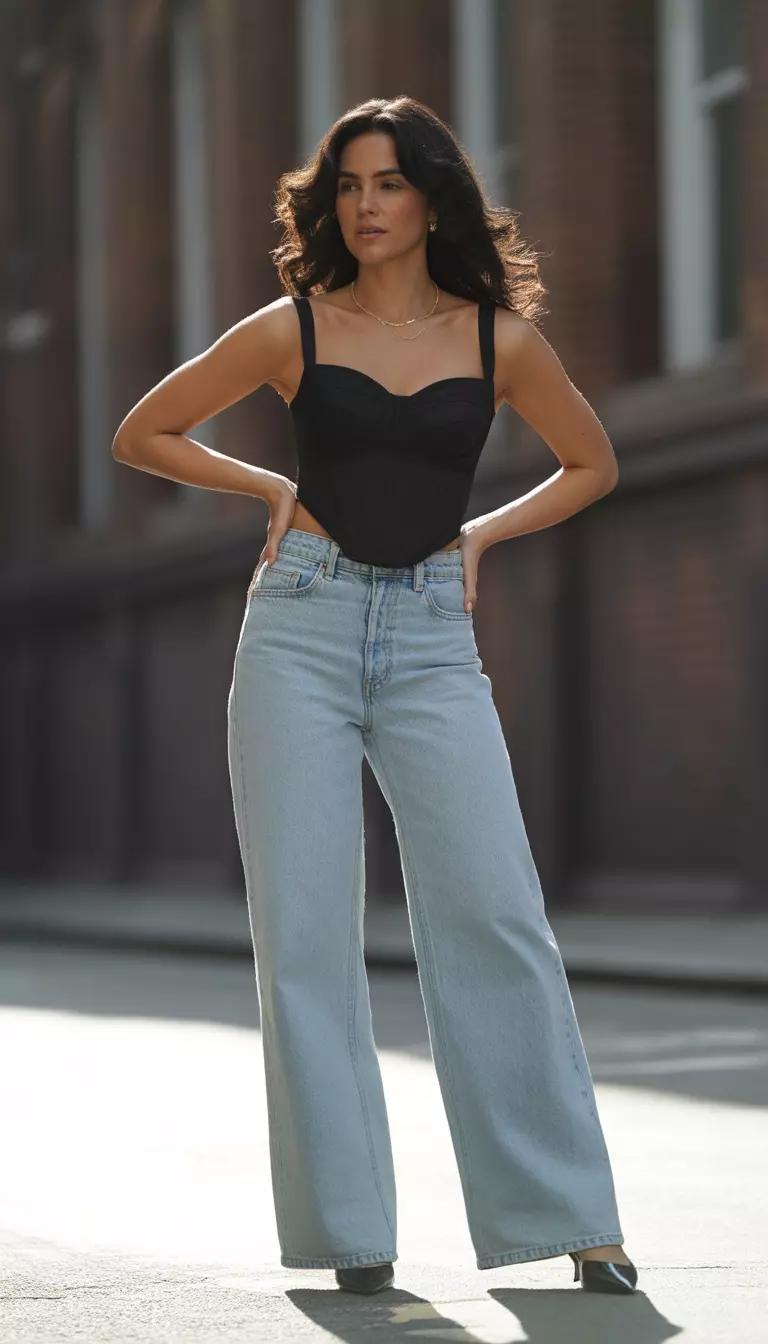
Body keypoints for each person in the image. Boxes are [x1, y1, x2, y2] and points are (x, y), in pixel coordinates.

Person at [112, 95, 638, 1298]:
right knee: (304, 934)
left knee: (496, 915)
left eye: (390, 182)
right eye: (349, 184)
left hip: (431, 639)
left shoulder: (500, 339)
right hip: (298, 624)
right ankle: (352, 1233)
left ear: (433, 193)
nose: (367, 204)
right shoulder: (294, 326)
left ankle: (574, 1220)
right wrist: (266, 491)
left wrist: (482, 539)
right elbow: (145, 434)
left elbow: (593, 461)